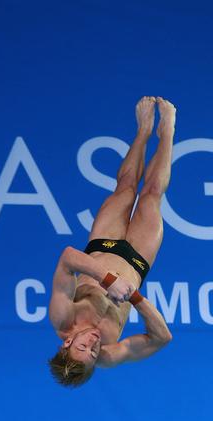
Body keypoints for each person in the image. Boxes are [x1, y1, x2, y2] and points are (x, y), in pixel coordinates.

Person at [48, 96, 175, 387]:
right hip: (137, 261)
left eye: (84, 347)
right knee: (153, 194)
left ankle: (143, 133)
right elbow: (161, 338)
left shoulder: (62, 319)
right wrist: (134, 297)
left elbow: (68, 257)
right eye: (93, 353)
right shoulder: (108, 353)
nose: (93, 344)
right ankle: (167, 133)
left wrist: (106, 278)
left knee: (127, 188)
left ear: (66, 344)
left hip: (103, 244)